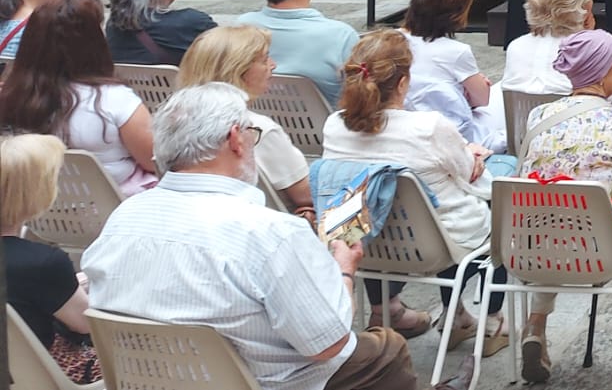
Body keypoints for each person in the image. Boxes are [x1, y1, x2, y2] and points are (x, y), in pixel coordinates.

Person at [84, 83, 419, 390]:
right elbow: (328, 342)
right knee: (385, 350)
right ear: (234, 139)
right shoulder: (271, 232)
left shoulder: (123, 216)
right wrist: (344, 271)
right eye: (252, 133)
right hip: (260, 382)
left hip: (151, 380)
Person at [322, 31, 501, 351]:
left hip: (366, 241)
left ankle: (396, 310)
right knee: (501, 196)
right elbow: (470, 177)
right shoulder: (429, 127)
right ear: (403, 82)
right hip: (439, 244)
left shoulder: (334, 125)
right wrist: (475, 155)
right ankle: (482, 318)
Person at [514, 29, 612, 386]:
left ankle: (536, 325)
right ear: (602, 73)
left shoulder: (538, 116)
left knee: (551, 214)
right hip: (604, 247)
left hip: (539, 246)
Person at [0, 0, 158, 195]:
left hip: (39, 211)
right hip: (110, 211)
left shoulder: (10, 96)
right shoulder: (116, 101)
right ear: (93, 41)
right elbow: (154, 160)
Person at [178, 25, 316, 215]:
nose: (273, 64)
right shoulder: (257, 129)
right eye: (264, 59)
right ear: (238, 70)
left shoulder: (172, 122)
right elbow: (307, 195)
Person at [3, 132, 100, 382]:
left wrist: (67, 287)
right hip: (33, 378)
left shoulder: (38, 264)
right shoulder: (41, 263)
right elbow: (88, 324)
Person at [236, 0, 358, 107]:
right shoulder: (341, 36)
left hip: (259, 128)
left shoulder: (242, 27)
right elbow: (362, 99)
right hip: (324, 130)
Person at [400, 0, 497, 148]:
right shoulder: (456, 52)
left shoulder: (391, 41)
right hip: (450, 133)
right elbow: (482, 99)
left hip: (402, 125)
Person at [498, 0, 597, 98]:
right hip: (571, 117)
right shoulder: (594, 51)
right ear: (581, 6)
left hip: (522, 118)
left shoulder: (516, 46)